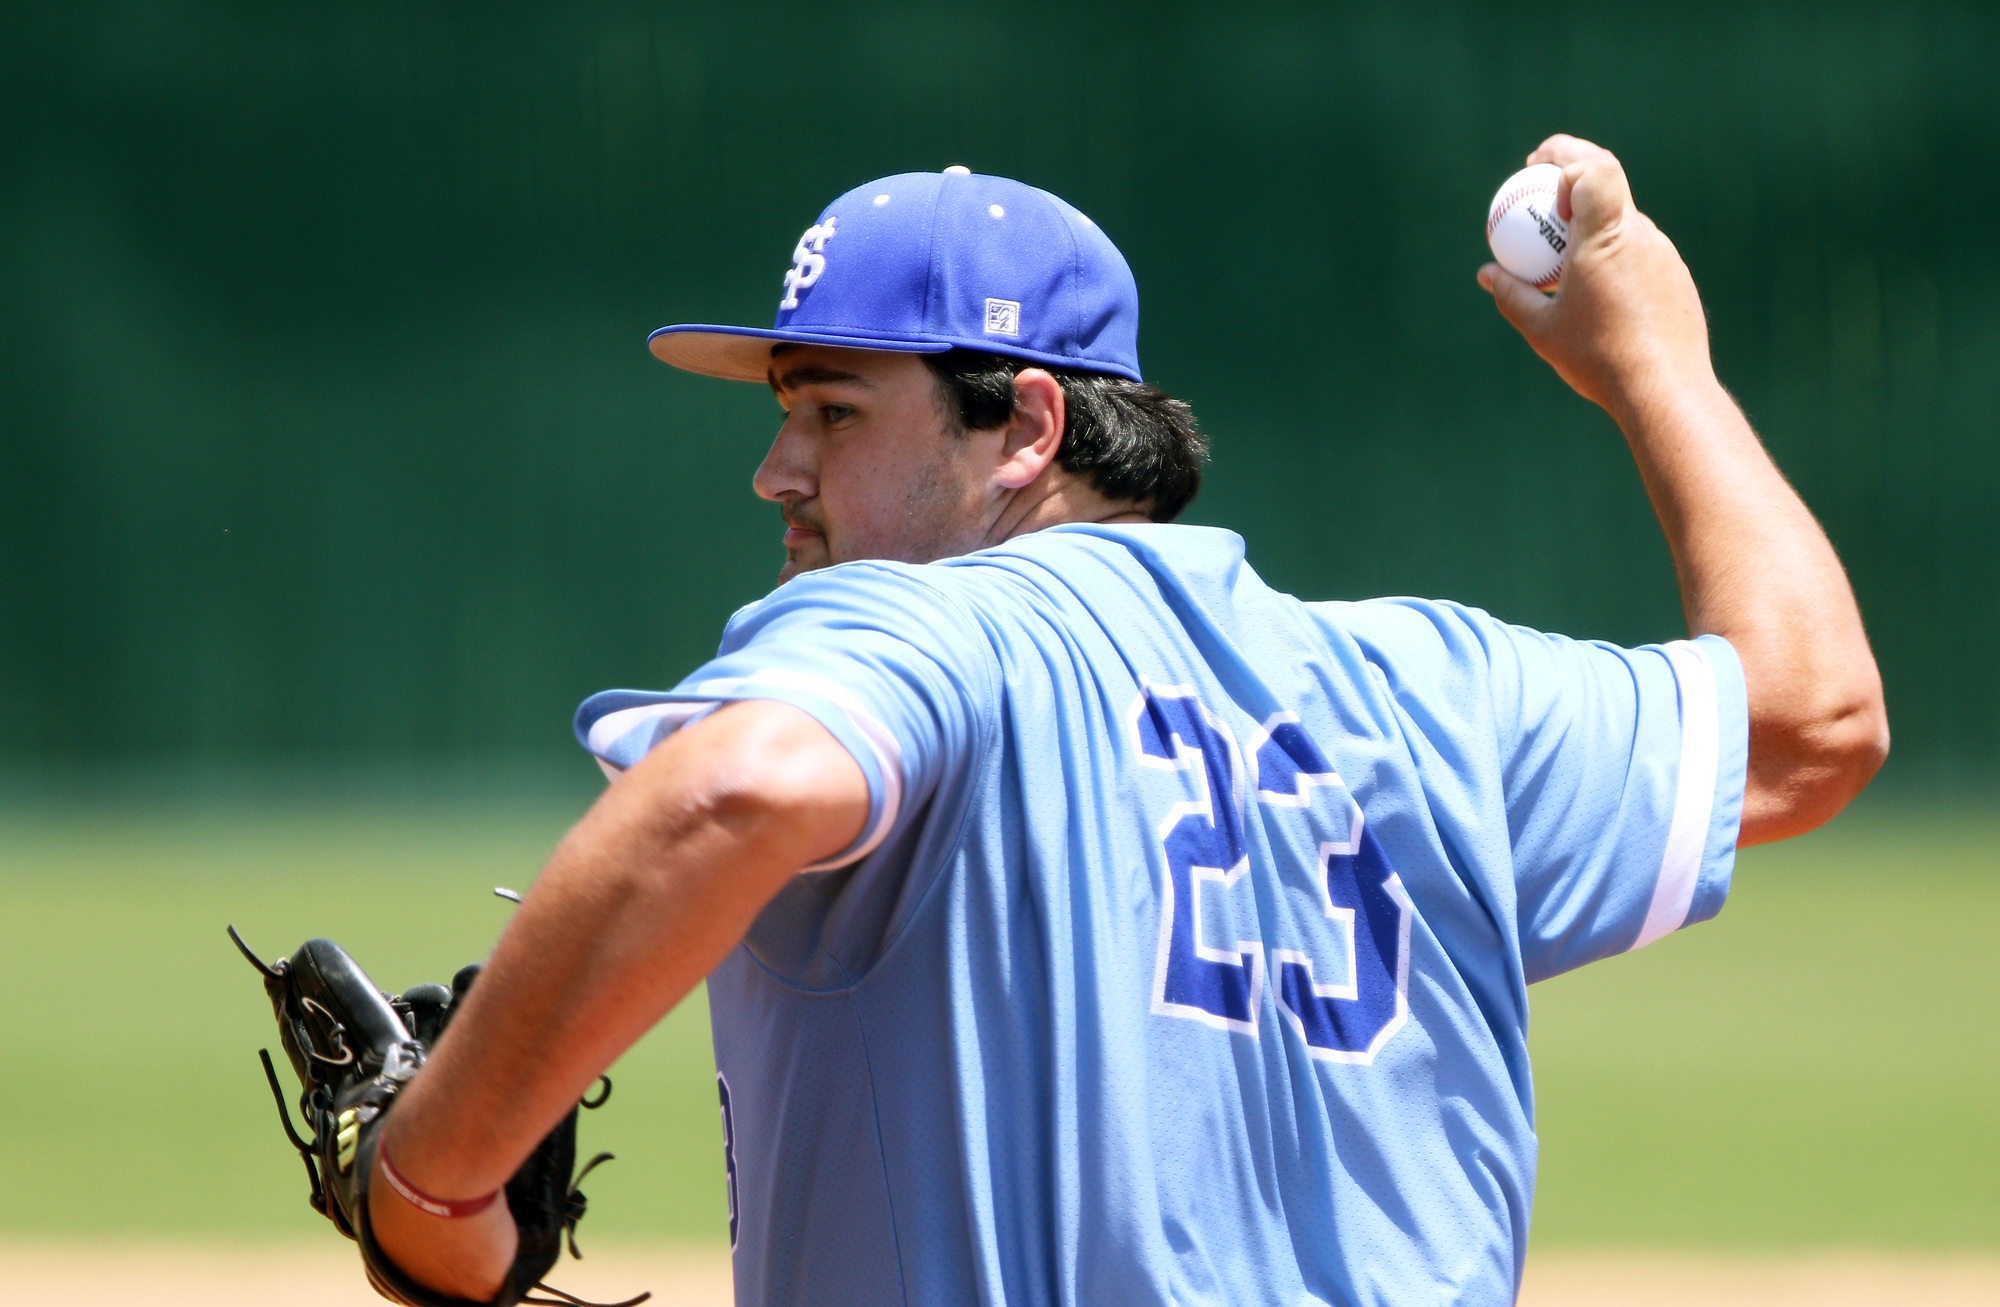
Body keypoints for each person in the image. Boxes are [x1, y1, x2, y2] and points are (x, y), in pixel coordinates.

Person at [366, 139, 1887, 1306]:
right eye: (784, 410)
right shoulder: (1428, 688)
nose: (778, 468)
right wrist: (1655, 365)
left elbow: (731, 793)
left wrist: (431, 1183)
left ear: (1027, 427)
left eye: (834, 410)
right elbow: (1811, 723)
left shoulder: (919, 627)